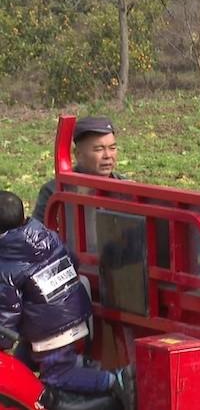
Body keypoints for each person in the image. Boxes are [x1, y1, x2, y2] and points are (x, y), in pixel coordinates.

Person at [0, 191, 135, 410]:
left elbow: (7, 308)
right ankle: (81, 368)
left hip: (52, 330)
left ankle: (115, 380)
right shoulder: (43, 234)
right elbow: (70, 259)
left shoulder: (6, 264)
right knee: (21, 362)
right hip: (75, 311)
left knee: (58, 375)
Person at [33, 115, 124, 222]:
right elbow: (38, 234)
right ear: (78, 154)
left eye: (112, 148)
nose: (108, 155)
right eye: (99, 149)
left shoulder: (125, 188)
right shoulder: (54, 190)